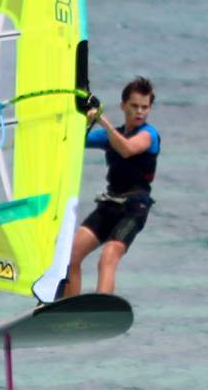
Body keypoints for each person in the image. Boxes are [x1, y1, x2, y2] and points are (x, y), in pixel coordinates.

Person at [57, 77, 160, 298]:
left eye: (145, 107)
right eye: (134, 106)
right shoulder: (109, 136)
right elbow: (72, 140)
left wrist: (103, 122)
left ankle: (100, 307)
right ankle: (67, 308)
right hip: (109, 204)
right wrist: (81, 119)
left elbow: (128, 149)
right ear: (123, 106)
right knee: (70, 255)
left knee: (109, 255)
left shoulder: (149, 135)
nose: (139, 112)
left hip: (135, 207)